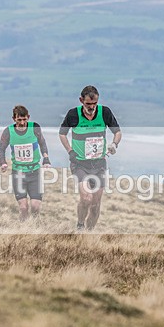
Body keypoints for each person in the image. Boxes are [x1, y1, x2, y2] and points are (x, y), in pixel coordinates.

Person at [59, 85, 121, 231]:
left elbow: (117, 132)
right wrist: (70, 150)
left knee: (95, 204)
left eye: (94, 104)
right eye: (88, 104)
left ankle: (89, 233)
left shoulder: (104, 112)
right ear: (81, 100)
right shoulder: (73, 114)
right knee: (86, 198)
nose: (92, 107)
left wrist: (114, 144)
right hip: (80, 163)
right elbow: (62, 133)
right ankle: (80, 225)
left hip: (99, 164)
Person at [0, 105, 52, 221]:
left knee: (35, 206)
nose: (22, 122)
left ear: (28, 117)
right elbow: (1, 149)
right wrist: (3, 163)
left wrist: (46, 158)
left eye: (24, 119)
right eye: (19, 120)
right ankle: (23, 230)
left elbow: (42, 143)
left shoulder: (35, 128)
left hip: (34, 173)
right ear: (14, 119)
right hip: (18, 173)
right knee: (23, 207)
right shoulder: (8, 131)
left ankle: (35, 228)